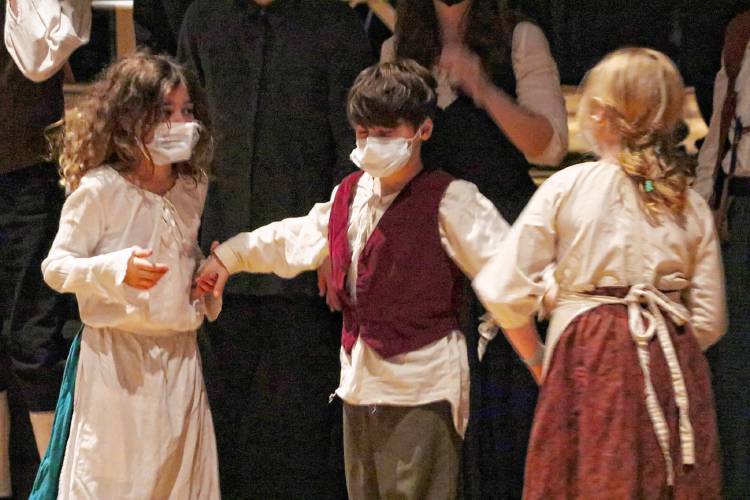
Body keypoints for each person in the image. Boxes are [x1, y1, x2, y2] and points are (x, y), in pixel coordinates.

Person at [195, 59, 512, 500]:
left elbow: (507, 272)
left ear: (422, 130)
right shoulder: (351, 194)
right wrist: (229, 257)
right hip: (360, 385)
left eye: (384, 134)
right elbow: (295, 236)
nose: (370, 144)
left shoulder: (451, 200)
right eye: (362, 133)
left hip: (422, 388)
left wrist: (488, 332)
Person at [474, 47, 725, 499]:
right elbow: (709, 320)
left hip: (586, 368)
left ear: (600, 115)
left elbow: (500, 287)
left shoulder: (569, 187)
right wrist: (660, 350)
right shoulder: (687, 201)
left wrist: (539, 358)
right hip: (670, 371)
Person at [177, 1, 373, 497]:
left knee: (297, 442)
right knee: (223, 437)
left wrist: (335, 244)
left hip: (303, 276)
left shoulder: (334, 22)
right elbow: (187, 137)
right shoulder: (204, 17)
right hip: (216, 264)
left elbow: (354, 148)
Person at [381, 2, 567, 496]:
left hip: (503, 241)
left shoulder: (519, 37)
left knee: (501, 407)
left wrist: (482, 87)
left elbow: (548, 146)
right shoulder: (397, 47)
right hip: (427, 245)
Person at [40, 51, 221, 499]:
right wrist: (115, 268)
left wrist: (202, 277)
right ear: (131, 118)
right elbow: (57, 268)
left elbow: (181, 256)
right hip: (118, 367)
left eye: (186, 111)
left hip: (180, 361)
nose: (181, 123)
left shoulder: (190, 187)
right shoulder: (101, 189)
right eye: (165, 113)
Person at [1, 0, 90, 494]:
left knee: (34, 342)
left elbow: (45, 55)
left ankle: (49, 487)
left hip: (27, 171)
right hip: (21, 165)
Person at [694, 10, 750, 498]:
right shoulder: (740, 32)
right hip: (742, 207)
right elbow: (720, 129)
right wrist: (699, 212)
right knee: (734, 370)